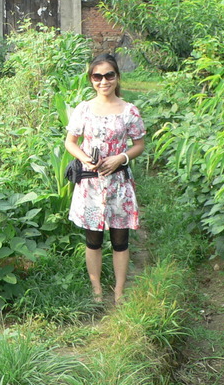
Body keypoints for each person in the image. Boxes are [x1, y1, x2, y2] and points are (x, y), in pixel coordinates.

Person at [64, 53, 145, 304]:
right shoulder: (84, 110)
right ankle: (97, 291)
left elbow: (139, 144)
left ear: (117, 77)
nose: (103, 81)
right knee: (93, 239)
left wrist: (120, 158)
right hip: (90, 185)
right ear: (91, 79)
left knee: (120, 239)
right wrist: (86, 159)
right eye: (97, 76)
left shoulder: (129, 110)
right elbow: (70, 142)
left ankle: (119, 292)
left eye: (109, 75)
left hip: (119, 184)